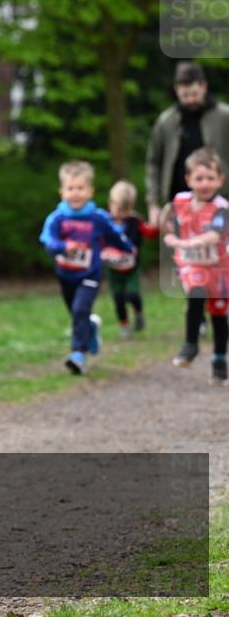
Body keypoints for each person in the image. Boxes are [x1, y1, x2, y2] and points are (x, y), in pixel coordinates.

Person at [40, 161, 134, 375]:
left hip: (90, 274)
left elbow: (114, 236)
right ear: (62, 192)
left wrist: (128, 249)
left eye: (80, 188)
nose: (75, 193)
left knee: (80, 310)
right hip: (65, 274)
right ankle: (90, 329)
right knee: (77, 315)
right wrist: (64, 246)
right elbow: (47, 240)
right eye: (70, 188)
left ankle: (78, 355)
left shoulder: (98, 217)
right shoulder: (57, 218)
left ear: (90, 191)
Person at [161, 147, 229, 386]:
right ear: (188, 179)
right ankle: (190, 344)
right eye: (199, 178)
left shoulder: (222, 208)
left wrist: (188, 241)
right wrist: (170, 236)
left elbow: (214, 235)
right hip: (193, 264)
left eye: (211, 178)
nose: (205, 183)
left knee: (220, 316)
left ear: (220, 180)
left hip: (220, 268)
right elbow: (169, 224)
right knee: (196, 293)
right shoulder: (180, 201)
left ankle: (220, 360)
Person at [146, 61, 229, 225]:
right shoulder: (166, 121)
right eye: (185, 95)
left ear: (204, 86)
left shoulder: (225, 117)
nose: (190, 99)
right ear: (176, 90)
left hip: (220, 202)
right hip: (178, 207)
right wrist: (153, 203)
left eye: (194, 94)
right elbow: (153, 162)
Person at [104, 180, 158, 339]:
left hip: (132, 268)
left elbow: (150, 233)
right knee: (118, 297)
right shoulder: (105, 221)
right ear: (110, 204)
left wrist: (156, 224)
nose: (122, 213)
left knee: (131, 294)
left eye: (127, 209)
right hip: (113, 268)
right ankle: (124, 325)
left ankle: (138, 312)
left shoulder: (136, 221)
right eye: (119, 209)